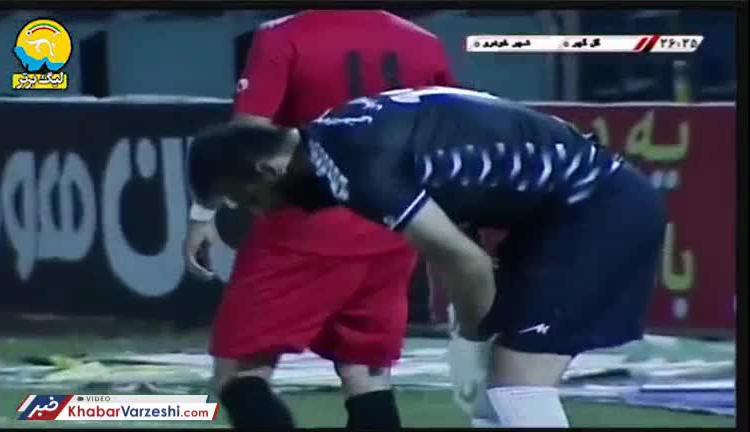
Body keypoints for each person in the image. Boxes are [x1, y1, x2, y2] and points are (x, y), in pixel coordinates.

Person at [186, 86, 667, 428]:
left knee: (516, 385)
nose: (260, 212)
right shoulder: (336, 130)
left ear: (268, 169)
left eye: (249, 199)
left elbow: (466, 262)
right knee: (493, 395)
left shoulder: (358, 168)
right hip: (562, 210)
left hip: (594, 209)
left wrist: (470, 339)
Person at [181, 11, 454, 428]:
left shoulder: (282, 35)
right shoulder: (423, 41)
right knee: (367, 374)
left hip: (306, 225)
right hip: (394, 223)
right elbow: (446, 131)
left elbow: (247, 141)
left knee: (239, 373)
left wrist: (203, 212)